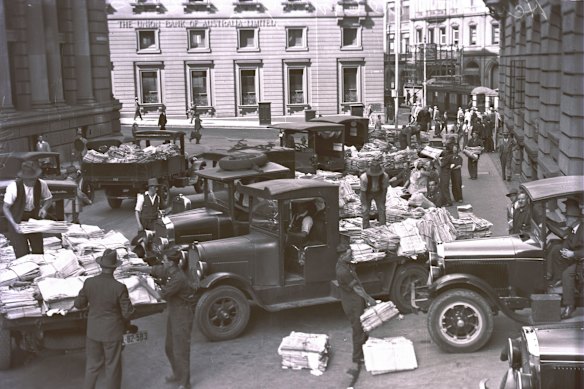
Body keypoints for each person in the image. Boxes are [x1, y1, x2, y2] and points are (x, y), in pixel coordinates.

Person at [132, 246, 196, 389]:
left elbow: (160, 295)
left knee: (181, 349)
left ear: (171, 262)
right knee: (169, 347)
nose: (163, 261)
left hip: (182, 314)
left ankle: (185, 383)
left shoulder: (178, 278)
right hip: (174, 311)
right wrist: (134, 269)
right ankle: (177, 373)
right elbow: (154, 270)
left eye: (165, 260)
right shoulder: (169, 269)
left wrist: (143, 284)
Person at [74, 249, 135, 389]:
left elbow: (78, 304)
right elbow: (127, 314)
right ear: (115, 268)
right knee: (112, 368)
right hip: (112, 334)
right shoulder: (119, 287)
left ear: (100, 265)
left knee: (92, 367)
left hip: (93, 332)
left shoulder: (89, 282)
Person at [335, 242, 377, 376]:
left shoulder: (345, 264)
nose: (351, 255)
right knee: (357, 329)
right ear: (342, 256)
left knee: (362, 328)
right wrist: (369, 299)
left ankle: (364, 353)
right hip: (352, 303)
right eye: (349, 254)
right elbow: (357, 288)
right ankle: (357, 358)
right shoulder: (343, 271)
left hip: (355, 301)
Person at [2, 161, 53, 258]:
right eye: (30, 180)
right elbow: (6, 207)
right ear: (24, 178)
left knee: (38, 251)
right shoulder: (14, 187)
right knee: (22, 253)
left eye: (34, 179)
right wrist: (14, 224)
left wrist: (44, 208)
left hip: (33, 219)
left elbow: (49, 199)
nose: (33, 182)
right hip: (17, 219)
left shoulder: (41, 184)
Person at [547, 198, 584, 319]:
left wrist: (573, 254)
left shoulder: (582, 230)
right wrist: (562, 250)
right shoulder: (573, 229)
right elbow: (567, 241)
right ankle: (554, 278)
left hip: (581, 261)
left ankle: (570, 306)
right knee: (556, 249)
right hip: (578, 259)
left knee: (568, 274)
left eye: (567, 217)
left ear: (574, 219)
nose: (565, 219)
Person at [359, 159, 389, 229]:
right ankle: (365, 228)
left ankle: (383, 227)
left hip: (379, 192)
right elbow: (363, 192)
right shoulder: (364, 178)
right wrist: (364, 204)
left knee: (382, 209)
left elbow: (385, 189)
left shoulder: (385, 176)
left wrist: (383, 199)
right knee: (365, 210)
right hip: (367, 193)